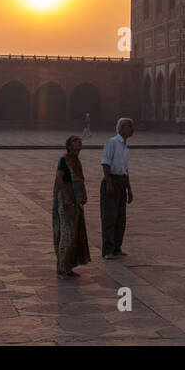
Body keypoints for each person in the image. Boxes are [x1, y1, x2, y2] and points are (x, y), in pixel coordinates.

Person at [52, 135, 91, 278]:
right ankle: (61, 269)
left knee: (74, 233)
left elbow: (79, 182)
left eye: (80, 140)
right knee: (67, 234)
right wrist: (67, 198)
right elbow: (59, 179)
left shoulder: (76, 160)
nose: (79, 142)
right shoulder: (65, 159)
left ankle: (68, 267)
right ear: (68, 146)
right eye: (75, 140)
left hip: (75, 200)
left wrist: (81, 197)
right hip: (66, 200)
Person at [100, 118, 134, 259]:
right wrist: (108, 183)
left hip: (121, 182)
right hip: (111, 180)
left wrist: (129, 189)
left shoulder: (125, 147)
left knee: (121, 218)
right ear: (121, 128)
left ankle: (117, 247)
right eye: (129, 126)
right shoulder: (112, 142)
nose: (132, 129)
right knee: (109, 217)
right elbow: (106, 163)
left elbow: (124, 170)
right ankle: (108, 250)